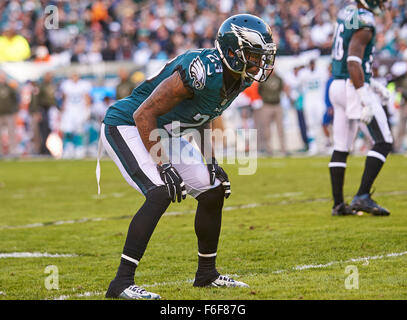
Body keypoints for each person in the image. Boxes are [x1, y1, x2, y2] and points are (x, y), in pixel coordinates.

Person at [98, 14, 277, 299]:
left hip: (165, 130)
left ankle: (206, 274)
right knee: (160, 191)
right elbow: (144, 113)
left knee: (213, 190)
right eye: (253, 55)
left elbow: (204, 115)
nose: (259, 63)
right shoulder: (201, 70)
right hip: (129, 124)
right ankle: (120, 283)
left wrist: (211, 163)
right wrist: (164, 165)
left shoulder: (237, 78)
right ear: (232, 51)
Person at [329, 0, 393, 216]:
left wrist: (373, 84)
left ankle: (338, 205)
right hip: (352, 86)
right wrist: (364, 95)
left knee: (341, 146)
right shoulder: (364, 21)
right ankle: (362, 196)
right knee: (383, 141)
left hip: (337, 84)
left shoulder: (347, 12)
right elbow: (353, 61)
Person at [298, 58, 329, 155]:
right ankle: (313, 145)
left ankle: (326, 144)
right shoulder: (303, 73)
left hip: (319, 101)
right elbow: (297, 83)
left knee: (322, 123)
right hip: (308, 101)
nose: (312, 65)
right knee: (310, 124)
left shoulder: (321, 72)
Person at [256, 70, 287, 156]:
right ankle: (268, 149)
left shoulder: (278, 78)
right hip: (267, 105)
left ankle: (283, 149)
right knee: (266, 129)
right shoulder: (263, 78)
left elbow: (281, 88)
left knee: (280, 128)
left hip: (277, 104)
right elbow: (259, 90)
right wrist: (265, 98)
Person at [0, 72, 18, 157]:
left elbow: (15, 99)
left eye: (2, 77)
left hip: (9, 114)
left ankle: (13, 151)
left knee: (11, 133)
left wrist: (15, 111)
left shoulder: (10, 87)